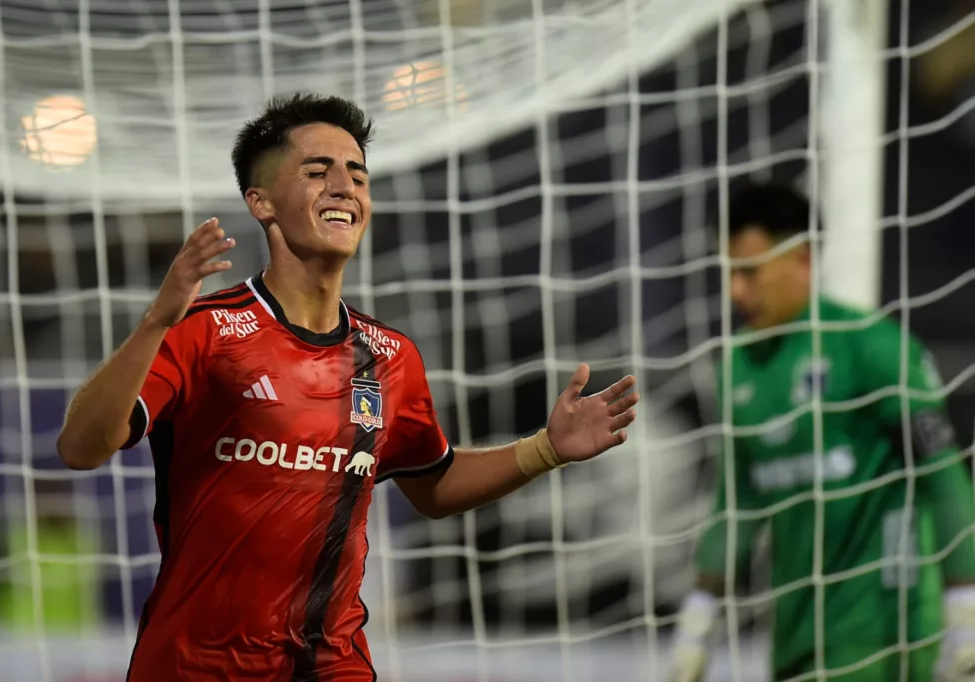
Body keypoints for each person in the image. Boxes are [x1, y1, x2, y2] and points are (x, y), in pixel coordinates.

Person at [56, 92, 639, 681]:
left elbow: (432, 485)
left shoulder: (391, 356)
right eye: (317, 171)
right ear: (260, 202)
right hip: (195, 667)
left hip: (333, 665)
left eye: (357, 174)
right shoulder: (204, 331)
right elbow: (81, 448)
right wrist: (157, 320)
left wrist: (546, 448)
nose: (344, 186)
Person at [667, 182, 975, 681]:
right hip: (795, 640)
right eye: (729, 273)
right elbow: (737, 506)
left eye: (749, 272)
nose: (735, 292)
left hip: (889, 635)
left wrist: (965, 609)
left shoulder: (872, 347)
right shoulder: (738, 366)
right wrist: (697, 620)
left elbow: (945, 479)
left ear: (803, 260)